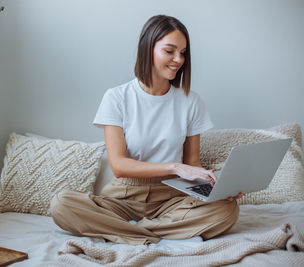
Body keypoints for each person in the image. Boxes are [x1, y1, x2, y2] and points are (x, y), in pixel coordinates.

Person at [50, 15, 240, 245]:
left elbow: (192, 163)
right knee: (62, 204)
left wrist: (214, 185)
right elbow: (119, 166)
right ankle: (161, 232)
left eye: (183, 52)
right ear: (147, 48)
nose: (178, 59)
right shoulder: (117, 98)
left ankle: (132, 232)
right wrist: (175, 167)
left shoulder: (191, 101)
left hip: (173, 196)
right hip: (124, 196)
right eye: (169, 51)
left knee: (227, 211)